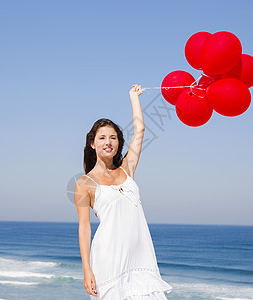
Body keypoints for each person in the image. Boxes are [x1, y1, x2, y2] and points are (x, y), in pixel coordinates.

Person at [74, 84, 172, 299]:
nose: (108, 142)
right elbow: (84, 229)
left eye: (113, 137)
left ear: (119, 142)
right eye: (102, 138)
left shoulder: (127, 169)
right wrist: (86, 270)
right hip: (108, 258)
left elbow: (140, 131)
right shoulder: (84, 183)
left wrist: (133, 97)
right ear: (92, 144)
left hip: (140, 257)